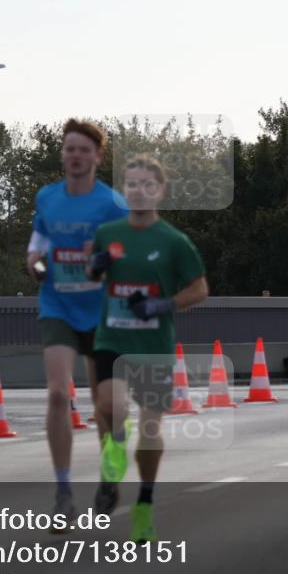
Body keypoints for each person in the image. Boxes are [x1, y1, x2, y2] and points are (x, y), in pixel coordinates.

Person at [86, 154, 208, 543]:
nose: (139, 191)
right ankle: (113, 456)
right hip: (112, 339)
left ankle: (143, 505)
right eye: (132, 185)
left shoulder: (174, 241)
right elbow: (90, 268)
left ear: (160, 190)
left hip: (153, 345)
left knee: (151, 431)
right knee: (109, 405)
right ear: (125, 190)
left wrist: (163, 304)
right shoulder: (108, 232)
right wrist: (95, 267)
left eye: (147, 185)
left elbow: (200, 289)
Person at [26, 119, 128, 529]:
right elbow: (36, 248)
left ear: (97, 157)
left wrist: (106, 255)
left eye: (84, 149)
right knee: (56, 394)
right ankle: (64, 492)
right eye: (69, 148)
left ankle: (109, 473)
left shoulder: (112, 204)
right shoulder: (48, 198)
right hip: (58, 306)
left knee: (108, 407)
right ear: (63, 154)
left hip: (104, 312)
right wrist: (35, 265)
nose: (75, 155)